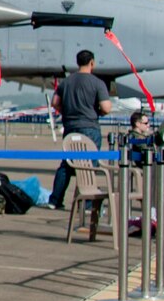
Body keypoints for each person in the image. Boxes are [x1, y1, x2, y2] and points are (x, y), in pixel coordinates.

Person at [47, 49, 114, 208]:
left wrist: (67, 112)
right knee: (89, 165)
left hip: (70, 127)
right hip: (89, 128)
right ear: (92, 63)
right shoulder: (97, 83)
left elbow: (55, 102)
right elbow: (106, 108)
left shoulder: (67, 82)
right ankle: (87, 204)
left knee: (67, 164)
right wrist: (95, 111)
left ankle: (55, 200)